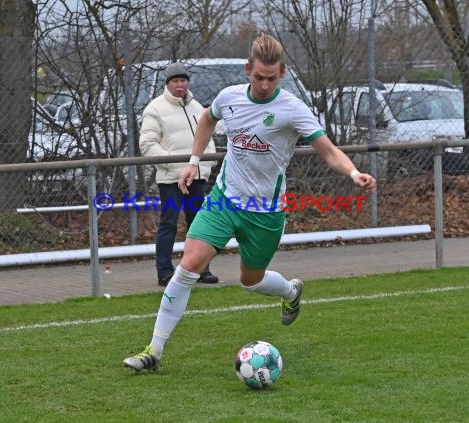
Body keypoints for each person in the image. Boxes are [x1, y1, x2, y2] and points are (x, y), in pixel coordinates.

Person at [123, 33, 376, 372]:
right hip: (224, 200)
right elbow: (206, 121)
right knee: (188, 266)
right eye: (259, 77)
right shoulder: (229, 98)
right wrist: (194, 161)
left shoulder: (291, 108)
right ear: (248, 70)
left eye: (272, 78)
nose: (265, 84)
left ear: (282, 73)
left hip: (266, 213)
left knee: (251, 281)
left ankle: (290, 292)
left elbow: (327, 149)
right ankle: (153, 352)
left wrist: (353, 172)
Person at [139, 62, 219, 287]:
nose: (180, 85)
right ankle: (165, 272)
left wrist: (204, 165)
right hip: (171, 179)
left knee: (199, 224)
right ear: (168, 84)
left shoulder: (198, 108)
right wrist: (176, 169)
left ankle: (201, 269)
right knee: (169, 223)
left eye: (183, 80)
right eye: (175, 81)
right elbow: (147, 144)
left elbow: (209, 139)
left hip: (197, 177)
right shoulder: (155, 108)